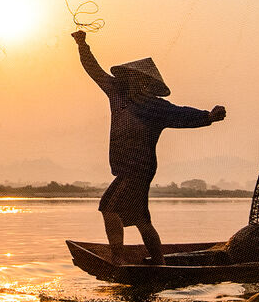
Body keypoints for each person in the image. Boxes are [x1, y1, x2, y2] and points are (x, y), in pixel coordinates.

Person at [72, 29, 226, 264]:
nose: (130, 82)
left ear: (145, 83)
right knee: (142, 219)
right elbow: (95, 70)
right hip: (128, 169)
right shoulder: (118, 94)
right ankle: (159, 262)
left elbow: (182, 114)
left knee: (109, 207)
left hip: (138, 169)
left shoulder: (154, 107)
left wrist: (209, 116)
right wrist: (82, 44)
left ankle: (118, 258)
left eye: (135, 79)